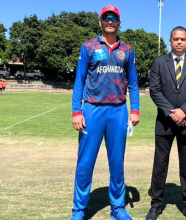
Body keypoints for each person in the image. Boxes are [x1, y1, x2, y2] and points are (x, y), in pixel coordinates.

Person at [70, 5, 140, 220]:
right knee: (86, 162)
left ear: (119, 22)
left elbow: (134, 83)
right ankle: (79, 210)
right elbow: (79, 80)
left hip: (118, 111)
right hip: (92, 110)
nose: (110, 21)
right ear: (100, 21)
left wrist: (134, 109)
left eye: (114, 18)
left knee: (117, 161)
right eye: (106, 17)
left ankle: (117, 207)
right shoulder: (89, 47)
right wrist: (76, 112)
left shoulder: (127, 50)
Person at [146, 26, 186, 220]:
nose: (179, 42)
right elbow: (154, 91)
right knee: (159, 166)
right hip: (165, 122)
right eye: (175, 39)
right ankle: (155, 205)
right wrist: (172, 113)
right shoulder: (158, 62)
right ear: (170, 41)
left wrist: (184, 111)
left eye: (182, 39)